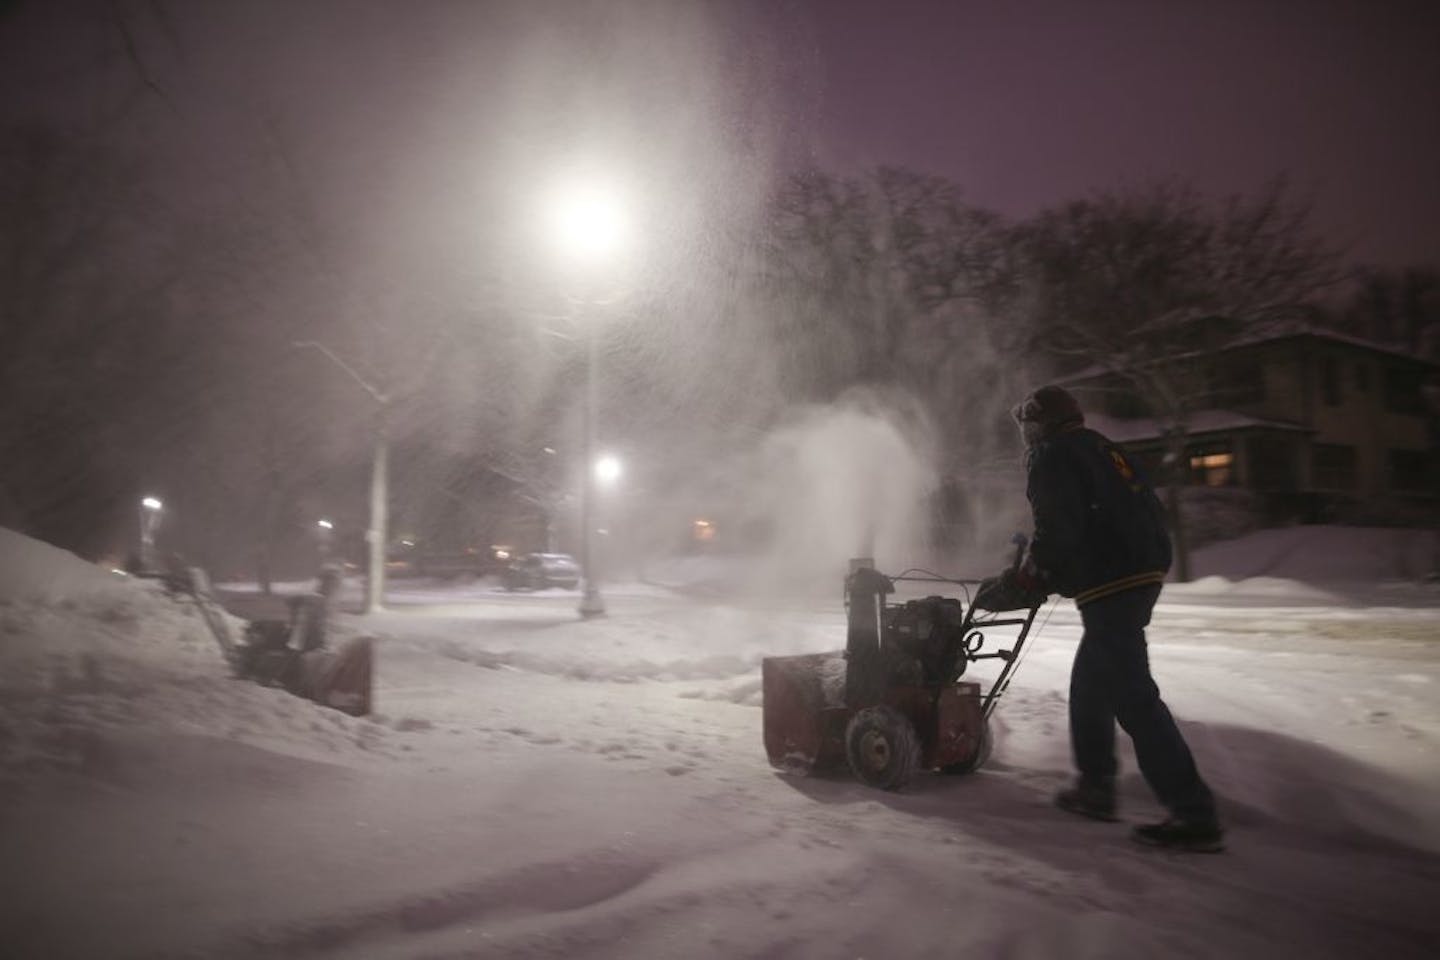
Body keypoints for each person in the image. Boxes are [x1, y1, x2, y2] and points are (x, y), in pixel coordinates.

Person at [1005, 384, 1224, 853]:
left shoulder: (1052, 455)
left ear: (1040, 425)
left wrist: (1033, 573)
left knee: (1133, 696)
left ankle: (1193, 812)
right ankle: (1096, 787)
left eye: (1027, 426)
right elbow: (1135, 510)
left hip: (1112, 578)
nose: (1025, 435)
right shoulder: (1104, 448)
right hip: (1142, 570)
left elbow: (1057, 527)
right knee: (1091, 684)